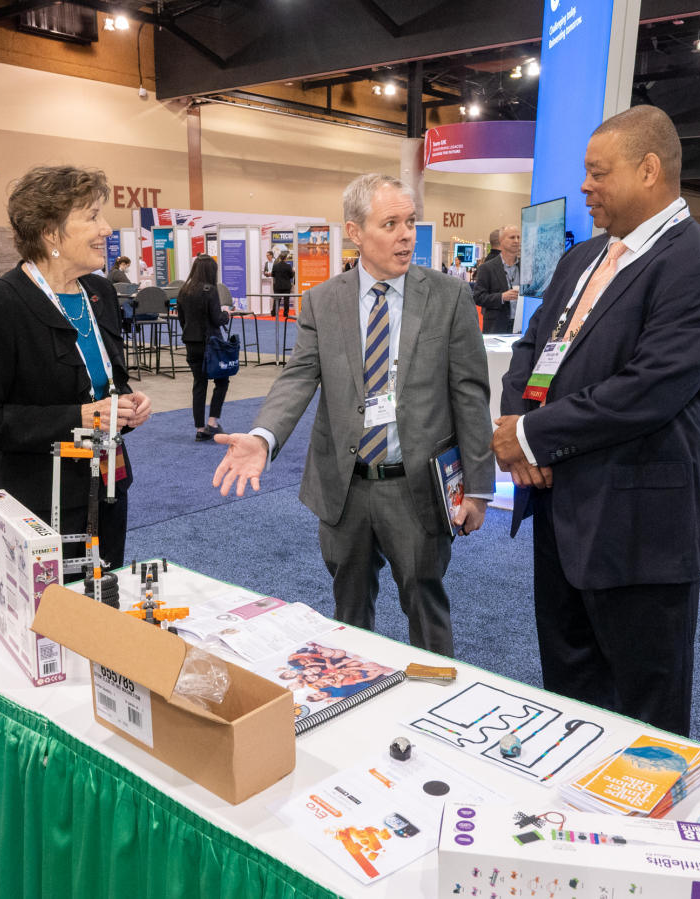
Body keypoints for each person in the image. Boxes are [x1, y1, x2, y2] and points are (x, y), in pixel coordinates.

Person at [491, 105, 700, 736]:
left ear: (649, 170)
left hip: (637, 529)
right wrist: (520, 429)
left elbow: (648, 390)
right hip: (557, 507)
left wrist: (529, 437)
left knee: (645, 710)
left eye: (598, 172)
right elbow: (532, 348)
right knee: (570, 690)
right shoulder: (582, 261)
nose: (584, 186)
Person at [211, 173, 494, 656]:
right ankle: (355, 701)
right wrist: (262, 436)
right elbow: (299, 376)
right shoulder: (323, 301)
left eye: (410, 222)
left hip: (416, 487)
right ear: (356, 232)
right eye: (390, 223)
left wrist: (480, 488)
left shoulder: (448, 297)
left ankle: (434, 701)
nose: (406, 234)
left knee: (426, 606)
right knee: (348, 614)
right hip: (343, 485)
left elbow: (470, 395)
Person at [0, 165, 151, 572]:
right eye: (93, 216)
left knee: (101, 603)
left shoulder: (98, 292)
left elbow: (107, 380)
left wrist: (126, 405)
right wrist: (76, 418)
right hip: (40, 500)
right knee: (47, 623)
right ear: (50, 232)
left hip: (108, 485)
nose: (107, 228)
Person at [176, 254, 231, 441]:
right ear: (211, 271)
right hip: (211, 345)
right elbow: (217, 319)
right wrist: (226, 314)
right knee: (222, 382)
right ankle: (213, 422)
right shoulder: (210, 290)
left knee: (199, 384)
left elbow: (181, 320)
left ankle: (200, 429)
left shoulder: (184, 290)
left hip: (191, 343)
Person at [472, 224, 521, 334]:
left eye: (518, 237)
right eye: (512, 237)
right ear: (501, 240)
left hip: (521, 326)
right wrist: (502, 297)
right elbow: (478, 297)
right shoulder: (486, 268)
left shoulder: (526, 267)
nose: (516, 241)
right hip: (496, 326)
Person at [270, 250, 294, 319]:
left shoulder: (275, 266)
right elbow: (291, 276)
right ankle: (285, 314)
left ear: (280, 258)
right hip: (286, 285)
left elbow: (273, 275)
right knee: (286, 300)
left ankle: (274, 312)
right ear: (285, 259)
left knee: (276, 299)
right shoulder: (288, 266)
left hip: (278, 285)